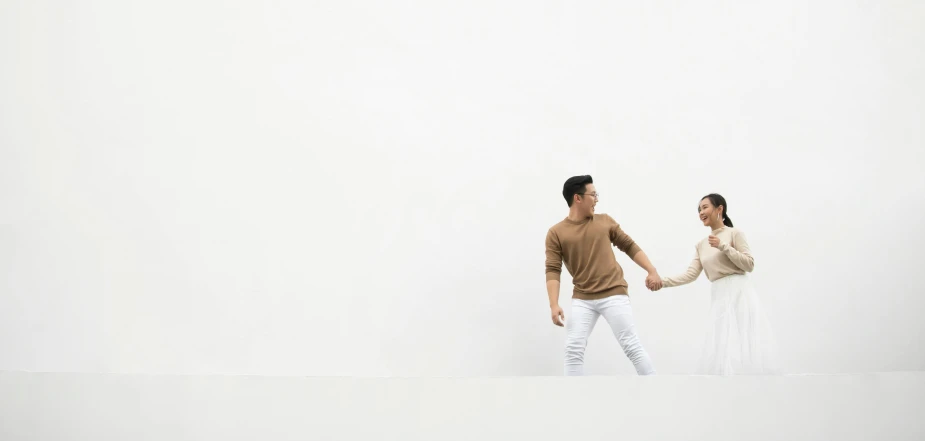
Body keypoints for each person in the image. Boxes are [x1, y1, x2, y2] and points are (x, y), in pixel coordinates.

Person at [545, 175, 661, 376]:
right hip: (582, 298)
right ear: (578, 198)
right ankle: (572, 399)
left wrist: (652, 270)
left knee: (631, 345)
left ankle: (656, 390)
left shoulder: (604, 221)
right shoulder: (556, 232)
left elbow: (629, 246)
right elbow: (553, 269)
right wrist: (554, 304)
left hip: (614, 293)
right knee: (573, 349)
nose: (596, 199)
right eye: (593, 195)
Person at [653, 193, 780, 375]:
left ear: (719, 209)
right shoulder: (701, 244)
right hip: (719, 296)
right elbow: (690, 275)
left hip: (740, 293)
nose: (701, 212)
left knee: (743, 344)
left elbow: (749, 265)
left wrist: (723, 246)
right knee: (722, 345)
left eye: (705, 207)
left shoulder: (734, 233)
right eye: (699, 209)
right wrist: (662, 282)